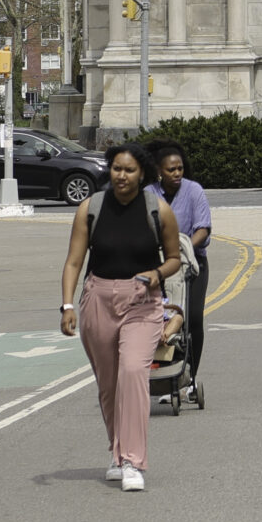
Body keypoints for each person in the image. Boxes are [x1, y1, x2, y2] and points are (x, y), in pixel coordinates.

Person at [61, 144, 185, 489]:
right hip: (98, 297)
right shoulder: (91, 208)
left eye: (129, 170)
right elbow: (73, 261)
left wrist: (157, 274)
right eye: (116, 169)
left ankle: (133, 461)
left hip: (142, 301)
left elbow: (174, 257)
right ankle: (117, 454)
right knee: (109, 384)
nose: (121, 176)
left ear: (142, 174)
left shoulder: (157, 209)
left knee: (133, 371)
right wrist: (67, 305)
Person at [147, 142, 212, 400]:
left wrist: (182, 250)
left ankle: (189, 378)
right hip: (159, 267)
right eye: (171, 169)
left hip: (191, 265)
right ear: (159, 171)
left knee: (192, 319)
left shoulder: (194, 191)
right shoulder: (149, 194)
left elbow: (203, 229)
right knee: (162, 321)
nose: (177, 173)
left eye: (180, 168)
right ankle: (166, 375)